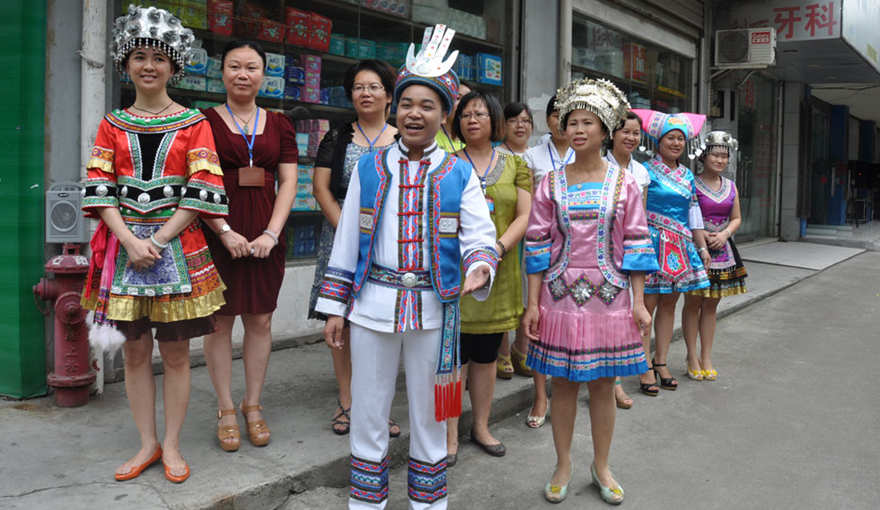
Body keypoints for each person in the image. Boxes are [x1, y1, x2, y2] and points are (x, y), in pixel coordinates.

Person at [315, 25, 498, 509]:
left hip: (435, 311)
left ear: (445, 115)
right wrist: (335, 307)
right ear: (395, 108)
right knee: (369, 412)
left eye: (428, 106)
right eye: (408, 104)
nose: (415, 114)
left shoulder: (459, 172)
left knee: (432, 416)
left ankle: (428, 505)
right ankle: (366, 505)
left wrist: (479, 265)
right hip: (372, 304)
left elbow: (481, 236)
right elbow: (348, 238)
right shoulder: (372, 167)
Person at [82, 5, 227, 483]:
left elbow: (204, 187)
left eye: (158, 58)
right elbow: (100, 186)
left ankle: (172, 444)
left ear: (173, 66)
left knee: (179, 352)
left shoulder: (194, 122)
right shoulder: (112, 123)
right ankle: (145, 442)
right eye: (139, 56)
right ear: (126, 64)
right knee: (136, 352)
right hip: (124, 253)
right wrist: (128, 239)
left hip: (179, 248)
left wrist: (159, 239)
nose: (148, 65)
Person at [522, 78, 658, 505]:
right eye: (571, 122)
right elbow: (537, 246)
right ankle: (563, 464)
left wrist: (638, 302)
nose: (577, 129)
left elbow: (637, 243)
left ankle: (601, 465)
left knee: (603, 385)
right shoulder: (549, 184)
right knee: (562, 385)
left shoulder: (625, 184)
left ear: (605, 130)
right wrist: (532, 303)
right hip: (557, 299)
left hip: (612, 299)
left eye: (587, 122)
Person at [199, 40, 298, 451]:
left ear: (263, 74)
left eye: (252, 67)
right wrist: (224, 231)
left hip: (265, 236)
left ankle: (252, 404)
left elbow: (289, 182)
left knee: (260, 321)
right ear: (222, 72)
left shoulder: (279, 124)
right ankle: (224, 408)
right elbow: (195, 184)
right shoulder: (201, 122)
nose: (243, 74)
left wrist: (271, 235)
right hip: (217, 233)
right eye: (235, 66)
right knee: (219, 323)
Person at [308, 60, 400, 437]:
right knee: (341, 322)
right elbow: (321, 189)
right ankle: (347, 401)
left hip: (390, 243)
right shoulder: (337, 136)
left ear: (389, 95)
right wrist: (349, 230)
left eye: (374, 87)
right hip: (340, 240)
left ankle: (378, 405)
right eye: (359, 87)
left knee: (382, 326)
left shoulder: (402, 138)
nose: (366, 93)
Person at [445, 92, 532, 465]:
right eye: (465, 114)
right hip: (455, 275)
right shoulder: (445, 164)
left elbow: (525, 216)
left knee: (485, 358)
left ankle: (480, 426)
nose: (472, 119)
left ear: (495, 120)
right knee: (450, 361)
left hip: (499, 272)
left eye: (479, 113)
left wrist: (495, 249)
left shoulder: (516, 165)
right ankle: (448, 434)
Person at [632, 108, 711, 395]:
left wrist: (700, 246)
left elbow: (694, 214)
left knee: (670, 305)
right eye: (670, 138)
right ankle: (643, 366)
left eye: (680, 139)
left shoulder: (689, 176)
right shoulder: (645, 171)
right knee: (647, 307)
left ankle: (661, 361)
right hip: (652, 245)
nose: (676, 143)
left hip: (680, 246)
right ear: (658, 142)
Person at [518, 95, 574, 428]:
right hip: (541, 249)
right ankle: (541, 394)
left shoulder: (591, 157)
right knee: (538, 323)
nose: (563, 121)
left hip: (579, 254)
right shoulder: (532, 157)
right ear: (549, 119)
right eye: (557, 114)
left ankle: (569, 388)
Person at [682, 131, 747, 381]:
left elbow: (736, 217)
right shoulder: (691, 183)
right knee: (693, 303)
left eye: (724, 156)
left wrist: (725, 234)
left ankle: (706, 356)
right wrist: (702, 237)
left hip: (723, 251)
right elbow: (686, 214)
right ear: (704, 156)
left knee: (712, 305)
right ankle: (691, 356)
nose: (720, 160)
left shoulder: (731, 186)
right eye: (715, 155)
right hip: (696, 250)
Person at [604, 111, 650, 409]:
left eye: (636, 133)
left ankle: (615, 382)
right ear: (611, 134)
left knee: (623, 320)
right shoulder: (599, 166)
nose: (631, 138)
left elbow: (640, 219)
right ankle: (610, 384)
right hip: (599, 249)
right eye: (625, 132)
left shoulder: (641, 173)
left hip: (627, 252)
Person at [435, 81, 472, 153]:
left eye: (468, 100)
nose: (463, 104)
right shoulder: (429, 136)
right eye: (458, 98)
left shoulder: (472, 139)